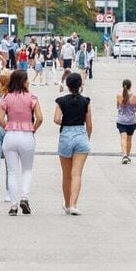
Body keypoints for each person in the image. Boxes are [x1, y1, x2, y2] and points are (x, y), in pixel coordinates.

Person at [0, 69, 44, 215]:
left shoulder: (6, 98)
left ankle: (13, 205)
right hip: (26, 135)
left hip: (10, 136)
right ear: (23, 81)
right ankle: (24, 197)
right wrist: (33, 129)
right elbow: (40, 118)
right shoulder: (32, 97)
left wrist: (8, 127)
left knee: (12, 172)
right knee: (27, 169)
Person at [55, 72, 93, 215]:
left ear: (68, 85)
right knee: (77, 174)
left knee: (66, 174)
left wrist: (66, 121)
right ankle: (73, 204)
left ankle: (66, 203)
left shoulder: (60, 101)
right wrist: (87, 137)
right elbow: (89, 125)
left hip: (66, 135)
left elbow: (56, 119)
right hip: (81, 135)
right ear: (80, 85)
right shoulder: (86, 101)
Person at [116, 79, 136, 164]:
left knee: (123, 138)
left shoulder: (118, 95)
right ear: (130, 86)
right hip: (131, 121)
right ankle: (128, 156)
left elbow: (117, 107)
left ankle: (124, 154)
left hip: (121, 120)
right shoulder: (135, 96)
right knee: (129, 139)